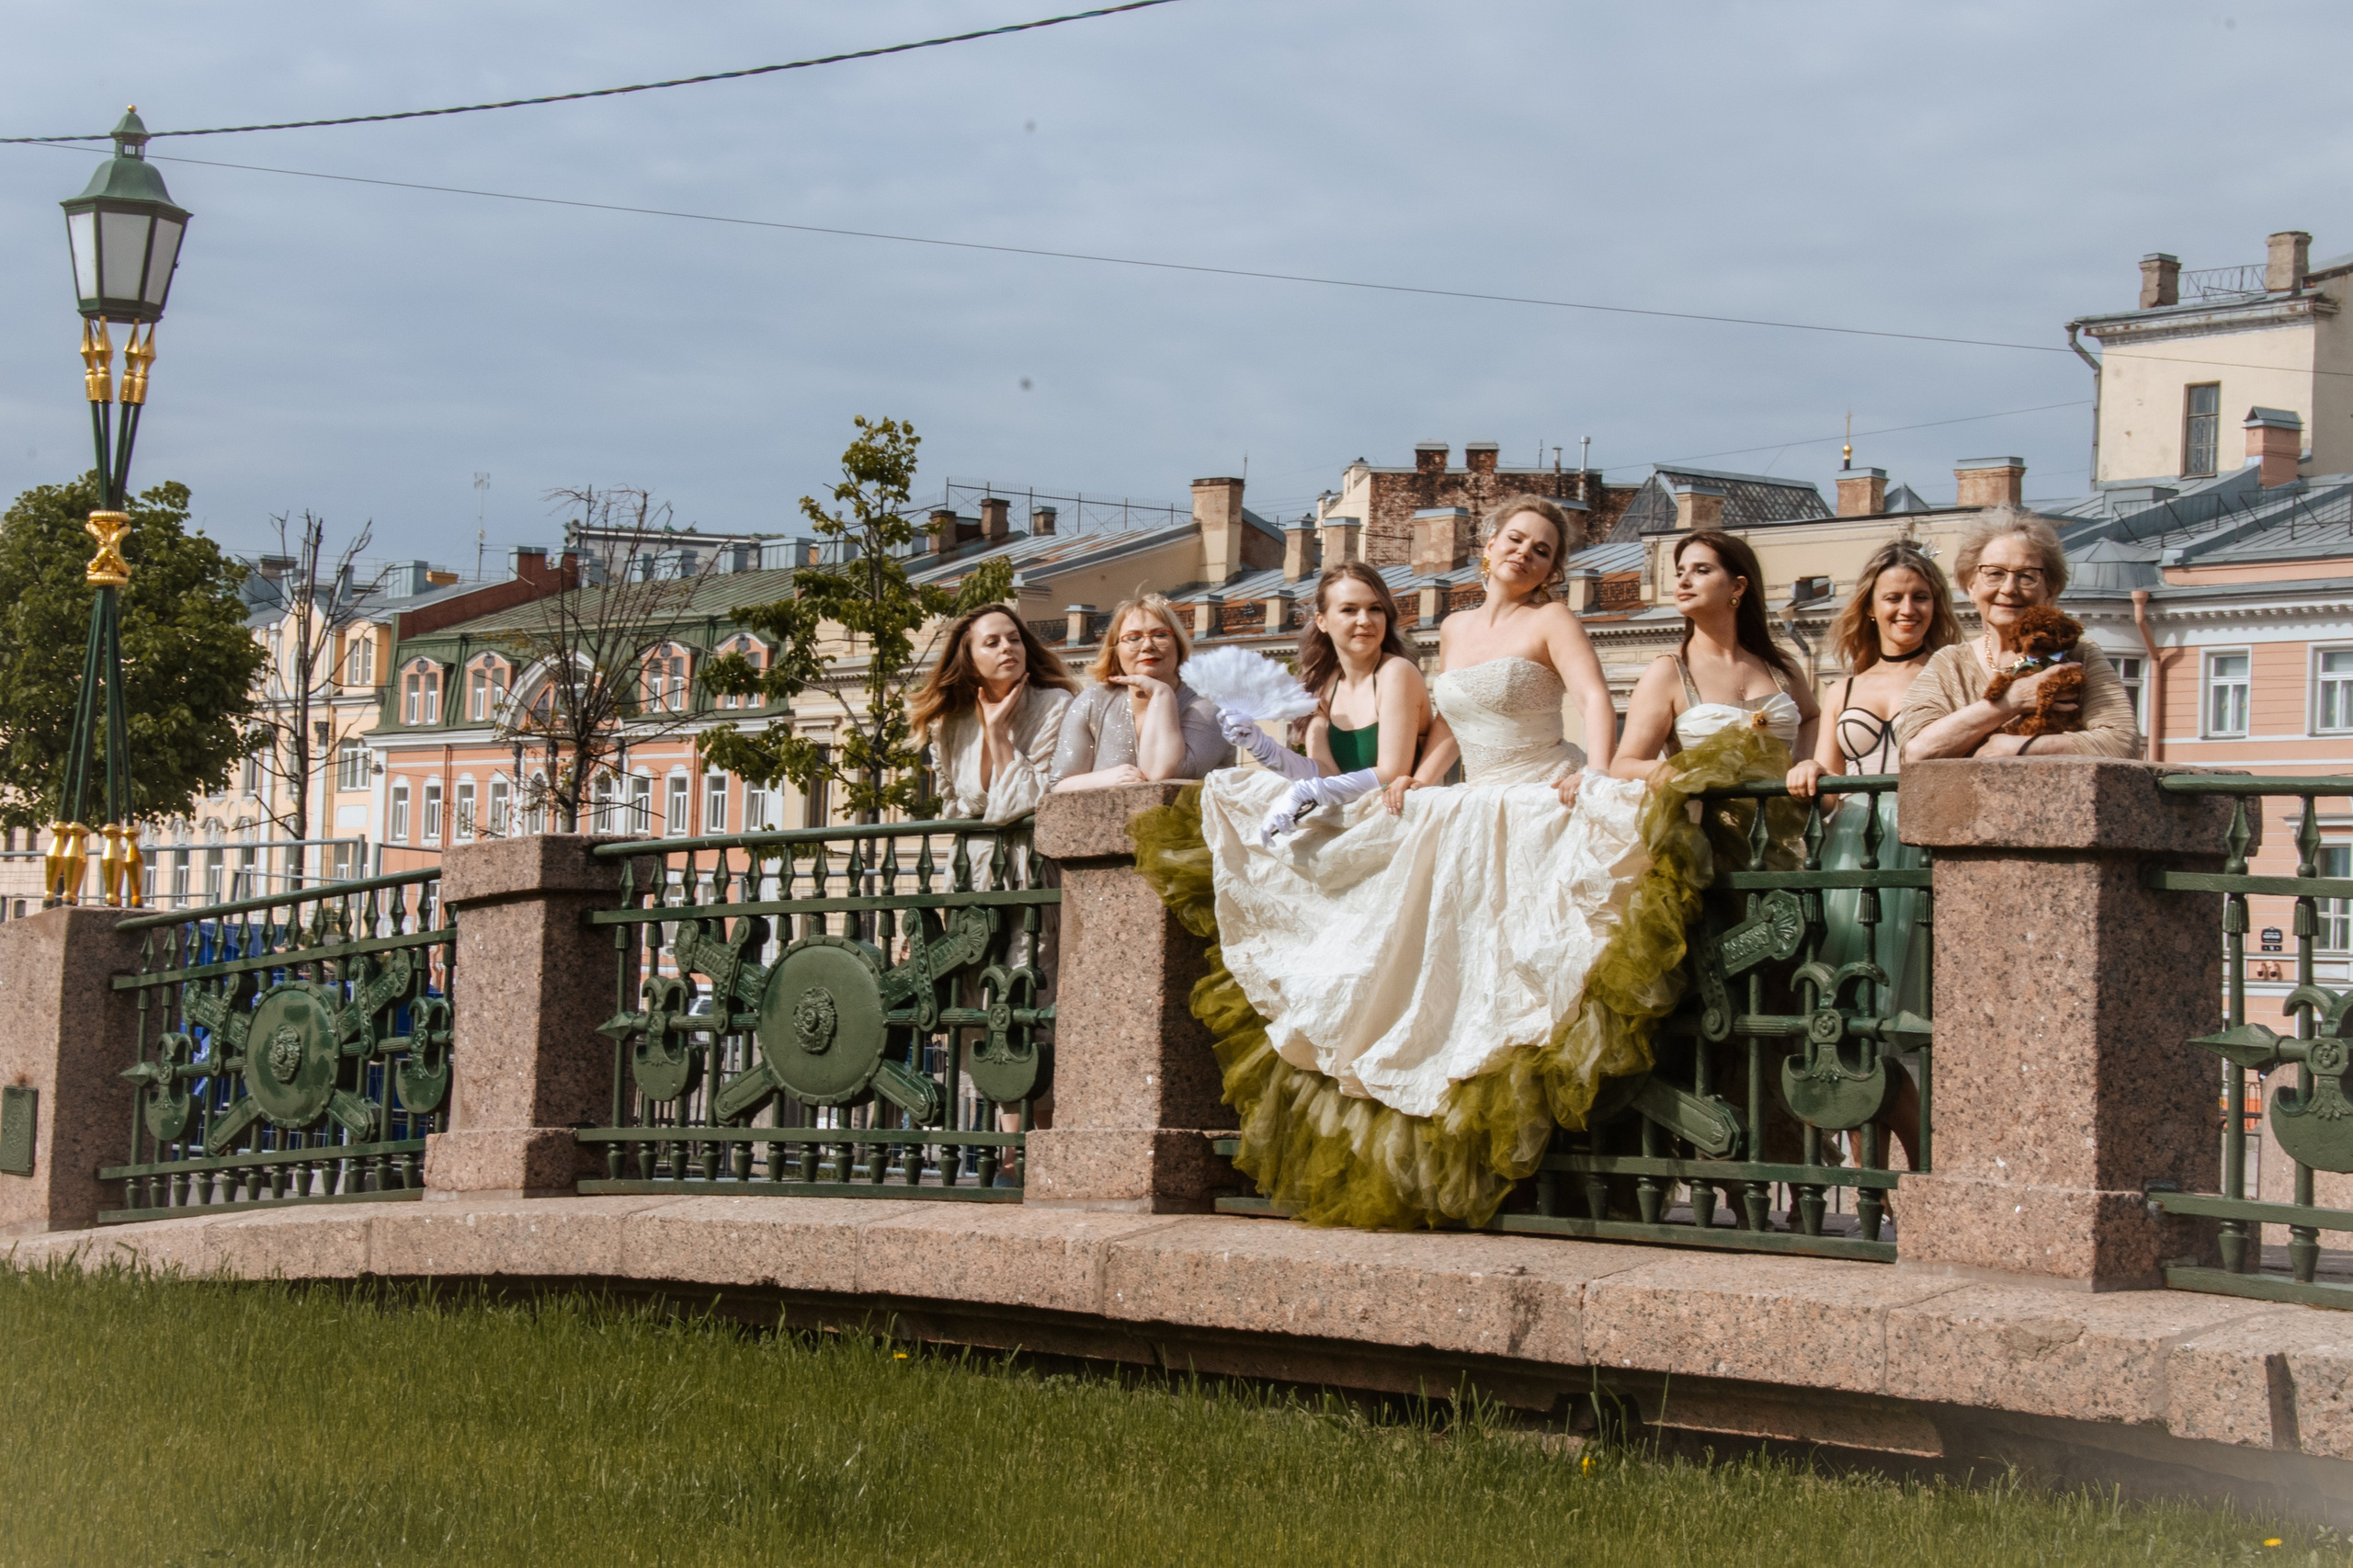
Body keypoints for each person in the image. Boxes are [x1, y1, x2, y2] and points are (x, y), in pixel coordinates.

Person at [1135, 495, 1771, 1231]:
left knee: (1532, 970)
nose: (1525, 554)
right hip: (1474, 804)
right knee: (1451, 971)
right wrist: (1419, 779)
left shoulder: (1553, 620)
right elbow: (1450, 725)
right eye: (1516, 539)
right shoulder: (1456, 627)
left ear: (1552, 568)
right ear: (1489, 545)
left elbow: (1597, 699)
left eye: (1541, 549)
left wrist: (1595, 776)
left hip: (1538, 791)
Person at [1790, 540, 1958, 1168]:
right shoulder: (1845, 687)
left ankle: (1923, 1168)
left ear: (1935, 605)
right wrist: (1809, 772)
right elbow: (1831, 786)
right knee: (1848, 1022)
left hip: (1918, 845)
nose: (1907, 608)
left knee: (1894, 1024)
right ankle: (1876, 1186)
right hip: (1850, 852)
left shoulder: (1951, 676)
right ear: (1870, 606)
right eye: (1894, 597)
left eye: (1920, 597)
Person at [1896, 508, 2141, 761]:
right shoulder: (1949, 664)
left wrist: (2015, 747)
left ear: (2050, 591)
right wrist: (2010, 702)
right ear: (1971, 587)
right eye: (1995, 574)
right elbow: (1916, 752)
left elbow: (2121, 743)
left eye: (2026, 576)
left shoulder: (2079, 654)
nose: (2009, 588)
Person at [1224, 562, 1431, 840]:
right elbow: (1324, 773)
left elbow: (1391, 772)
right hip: (1355, 833)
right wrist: (1261, 747)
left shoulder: (1396, 673)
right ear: (1322, 621)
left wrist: (1310, 791)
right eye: (1349, 610)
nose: (1365, 620)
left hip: (1407, 831)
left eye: (1375, 608)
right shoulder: (1322, 686)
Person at [1612, 530, 1818, 783]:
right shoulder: (1669, 672)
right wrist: (1675, 774)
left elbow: (1812, 717)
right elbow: (1624, 764)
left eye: (1701, 570)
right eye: (1679, 573)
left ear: (1737, 587)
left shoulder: (1781, 667)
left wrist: (1803, 763)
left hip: (1782, 808)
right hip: (1700, 808)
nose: (1683, 582)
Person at [911, 606, 1078, 824]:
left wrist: (996, 732)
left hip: (1035, 843)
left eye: (1014, 639)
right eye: (992, 643)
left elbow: (1036, 799)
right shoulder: (951, 722)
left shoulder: (1055, 705)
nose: (1007, 647)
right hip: (973, 846)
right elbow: (954, 809)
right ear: (970, 662)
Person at [1049, 591, 1233, 790]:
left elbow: (1162, 775)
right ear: (1115, 649)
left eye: (1160, 635)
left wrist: (1161, 694)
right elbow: (1058, 784)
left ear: (1178, 644)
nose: (1147, 645)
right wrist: (1104, 779)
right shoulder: (1094, 700)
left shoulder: (1210, 704)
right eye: (1133, 638)